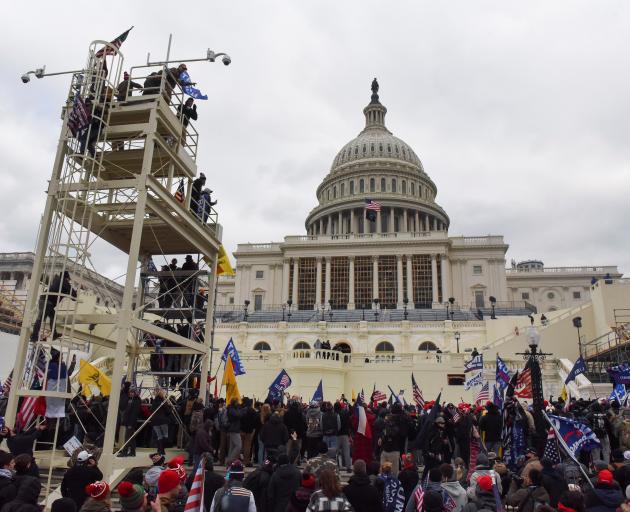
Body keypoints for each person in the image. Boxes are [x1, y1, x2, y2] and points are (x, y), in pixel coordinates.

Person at [30, 271, 77, 341]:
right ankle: (34, 336)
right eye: (68, 279)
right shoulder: (64, 282)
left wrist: (67, 292)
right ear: (66, 278)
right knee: (41, 318)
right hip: (48, 302)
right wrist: (71, 291)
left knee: (52, 316)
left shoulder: (57, 280)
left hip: (44, 300)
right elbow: (74, 296)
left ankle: (54, 334)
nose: (69, 281)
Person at [119, 386, 142, 457]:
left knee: (127, 437)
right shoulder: (130, 400)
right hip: (128, 421)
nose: (131, 393)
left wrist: (130, 424)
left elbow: (134, 414)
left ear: (135, 393)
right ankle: (132, 452)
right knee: (131, 438)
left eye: (132, 392)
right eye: (130, 392)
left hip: (131, 422)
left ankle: (125, 452)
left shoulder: (136, 401)